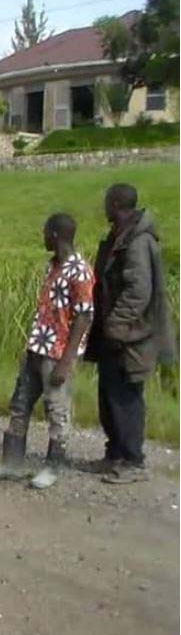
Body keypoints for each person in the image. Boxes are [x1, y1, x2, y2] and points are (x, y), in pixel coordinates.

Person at [0, 213, 94, 489]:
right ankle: (11, 463)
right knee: (20, 404)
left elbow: (83, 316)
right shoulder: (52, 266)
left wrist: (66, 362)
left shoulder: (80, 270)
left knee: (57, 410)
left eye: (45, 231)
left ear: (55, 234)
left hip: (57, 352)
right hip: (37, 345)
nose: (42, 236)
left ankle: (53, 466)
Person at [82, 183, 176, 484]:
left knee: (126, 399)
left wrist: (116, 324)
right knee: (109, 396)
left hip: (132, 336)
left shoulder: (137, 242)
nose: (104, 206)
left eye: (107, 201)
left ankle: (133, 461)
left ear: (117, 204)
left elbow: (139, 291)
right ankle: (115, 455)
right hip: (117, 335)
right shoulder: (120, 237)